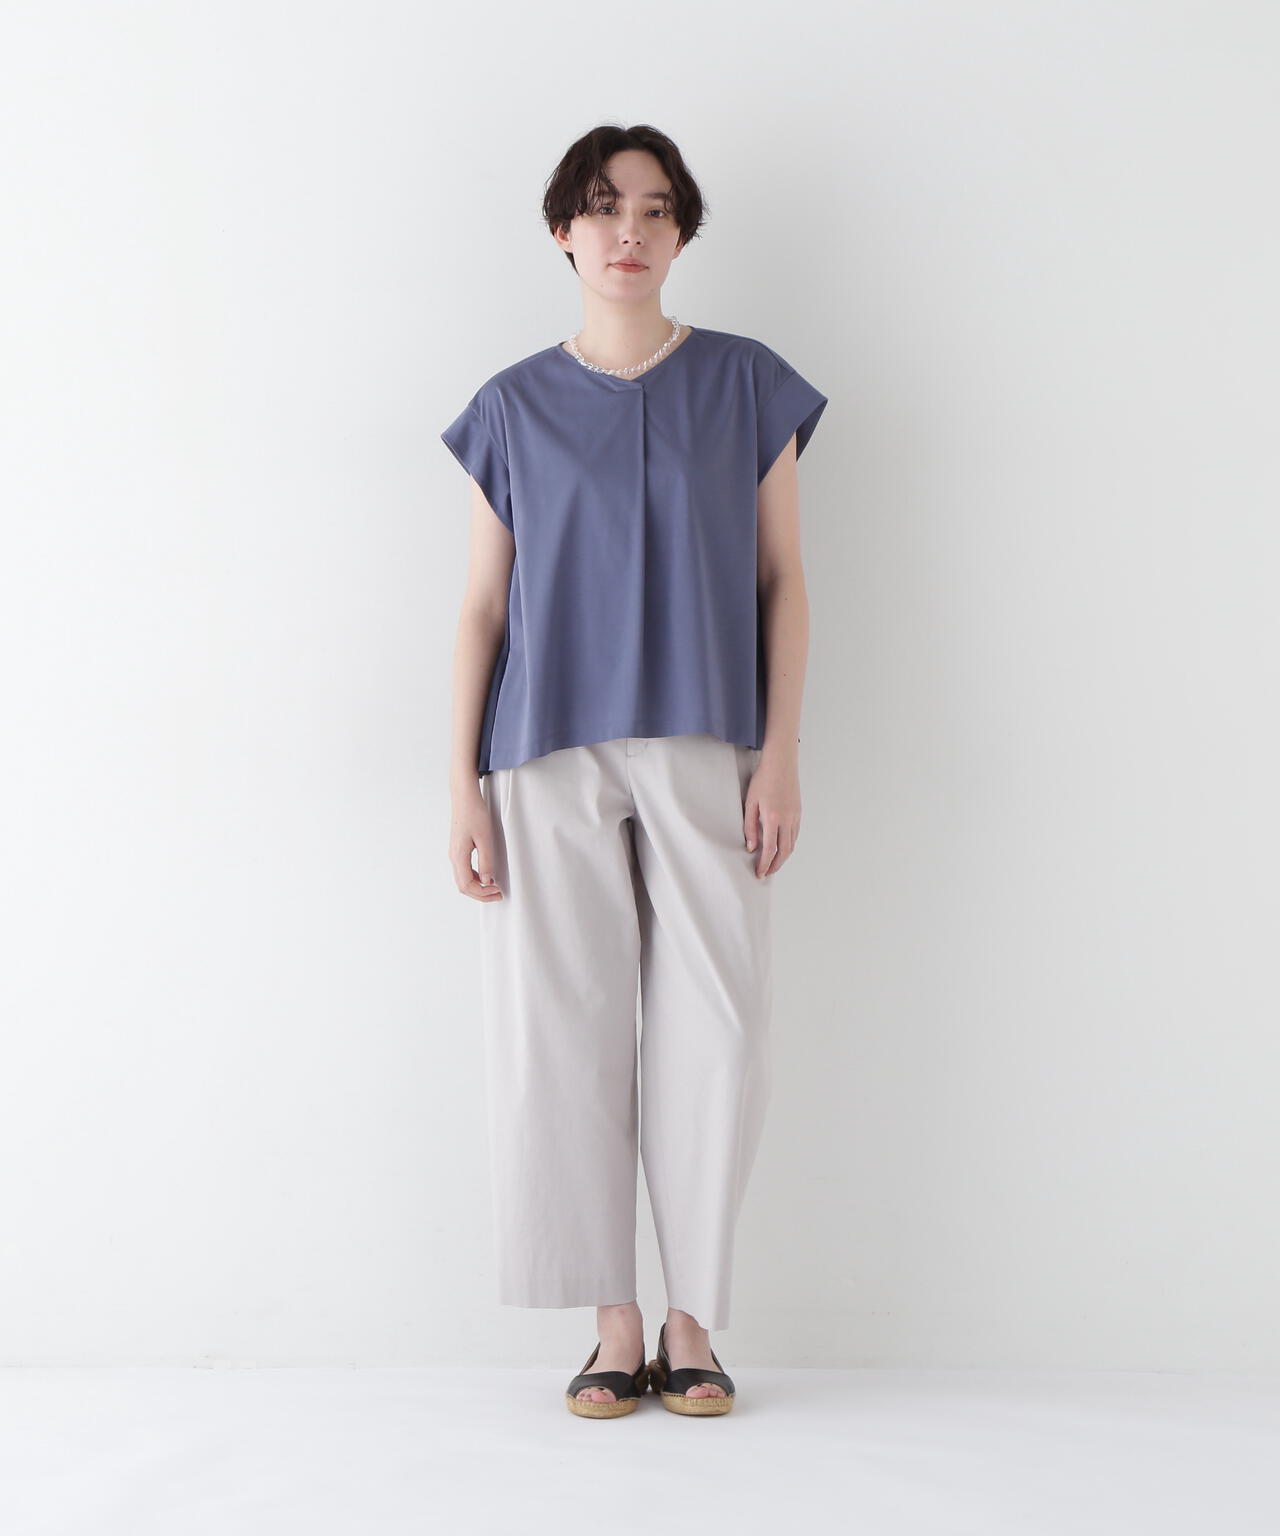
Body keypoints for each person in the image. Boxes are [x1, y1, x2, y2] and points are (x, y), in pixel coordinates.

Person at [441, 123, 828, 1418]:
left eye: (656, 210)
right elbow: (481, 609)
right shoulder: (511, 407)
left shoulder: (746, 383)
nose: (629, 230)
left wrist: (780, 753)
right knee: (562, 1031)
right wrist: (460, 786)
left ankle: (691, 1320)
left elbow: (784, 582)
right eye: (604, 207)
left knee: (721, 1026)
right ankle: (613, 1324)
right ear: (564, 231)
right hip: (542, 748)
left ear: (681, 233)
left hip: (709, 736)